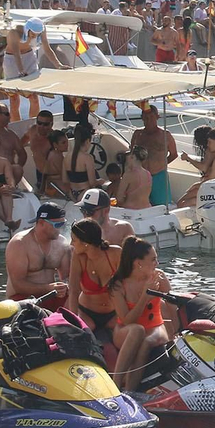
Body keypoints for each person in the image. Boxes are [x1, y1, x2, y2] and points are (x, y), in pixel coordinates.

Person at [107, 237, 171, 393]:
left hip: (155, 326)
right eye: (153, 260)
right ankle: (116, 384)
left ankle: (130, 391)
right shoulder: (118, 284)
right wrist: (145, 296)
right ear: (138, 263)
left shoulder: (159, 277)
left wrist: (174, 332)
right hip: (126, 329)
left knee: (146, 341)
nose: (157, 264)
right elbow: (128, 320)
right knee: (137, 330)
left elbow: (171, 305)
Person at [68, 218, 122, 347]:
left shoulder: (116, 253)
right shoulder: (78, 257)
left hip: (113, 313)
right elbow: (74, 290)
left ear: (85, 243)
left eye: (74, 240)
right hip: (87, 313)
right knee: (84, 333)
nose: (71, 243)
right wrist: (73, 320)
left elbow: (128, 284)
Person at [6, 202, 71, 302]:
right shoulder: (20, 243)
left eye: (63, 224)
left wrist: (65, 286)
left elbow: (66, 277)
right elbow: (18, 285)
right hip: (22, 299)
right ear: (41, 223)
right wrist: (49, 288)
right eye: (57, 224)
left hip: (51, 296)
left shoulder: (61, 243)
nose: (60, 228)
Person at [129, 106, 178, 206]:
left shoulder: (165, 135)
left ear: (157, 117)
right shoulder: (138, 134)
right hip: (141, 176)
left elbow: (174, 154)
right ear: (142, 117)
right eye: (145, 117)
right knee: (140, 205)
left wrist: (161, 164)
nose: (148, 120)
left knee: (162, 206)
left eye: (151, 116)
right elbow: (131, 154)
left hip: (159, 176)